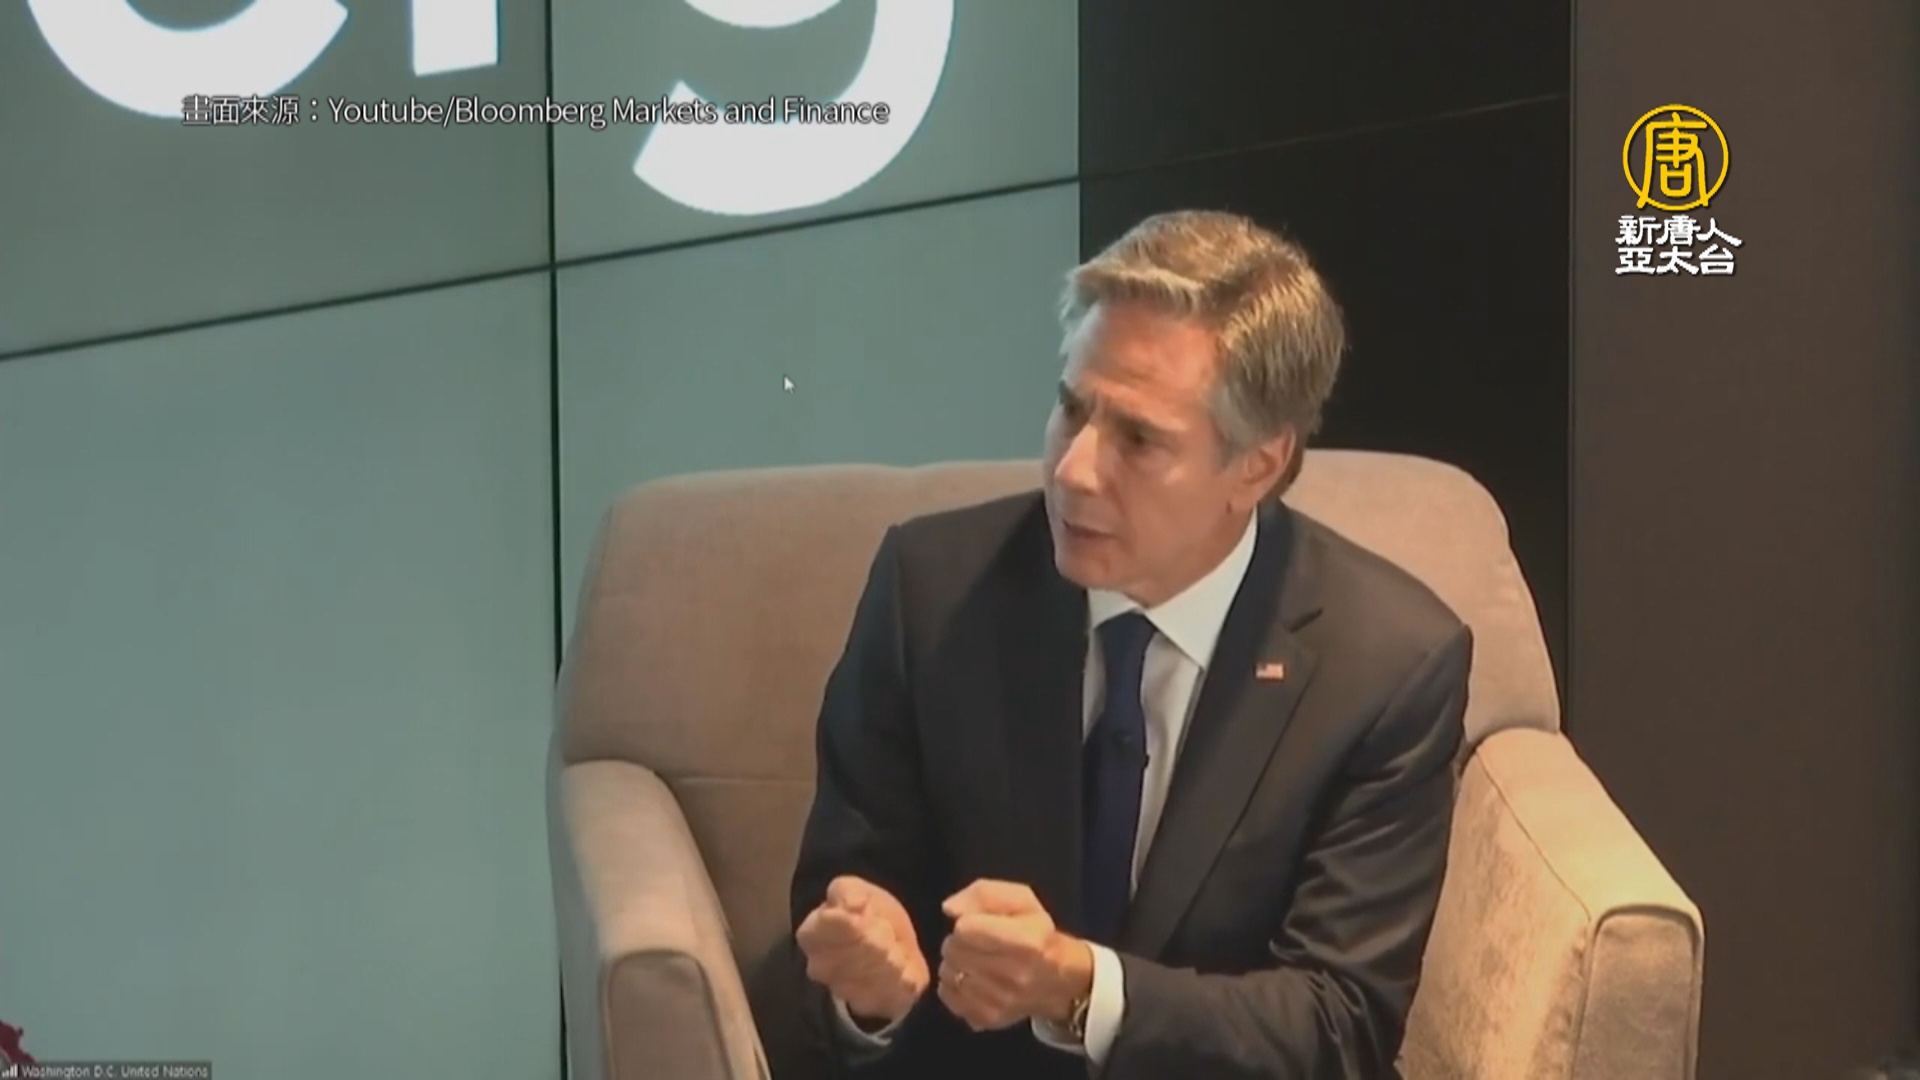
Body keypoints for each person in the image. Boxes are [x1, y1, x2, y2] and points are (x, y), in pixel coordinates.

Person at [785, 209, 1471, 1079]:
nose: (1074, 470)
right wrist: (867, 986)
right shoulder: (928, 591)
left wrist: (1083, 990)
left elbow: (1339, 1024)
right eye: (1072, 409)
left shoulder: (1387, 666)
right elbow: (850, 885)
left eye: (1139, 439)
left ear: (1258, 465)